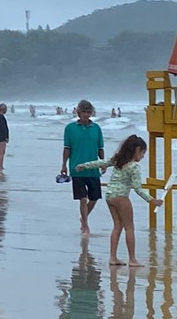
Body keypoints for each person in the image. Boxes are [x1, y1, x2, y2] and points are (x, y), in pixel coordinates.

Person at [77, 135, 162, 266]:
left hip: (110, 196)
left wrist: (84, 166)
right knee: (129, 227)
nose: (143, 156)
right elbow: (138, 189)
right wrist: (152, 201)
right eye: (143, 153)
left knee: (117, 226)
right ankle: (132, 259)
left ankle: (113, 257)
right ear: (137, 150)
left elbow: (101, 163)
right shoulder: (134, 167)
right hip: (121, 197)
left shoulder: (118, 160)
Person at [61, 99, 105, 234]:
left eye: (88, 112)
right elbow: (67, 148)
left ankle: (83, 218)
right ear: (78, 113)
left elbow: (100, 148)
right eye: (83, 112)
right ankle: (85, 225)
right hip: (77, 168)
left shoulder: (96, 128)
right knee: (83, 199)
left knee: (94, 198)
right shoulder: (70, 128)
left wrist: (104, 163)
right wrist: (64, 165)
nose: (86, 115)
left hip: (93, 168)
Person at [0, 103, 9, 170]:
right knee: (1, 152)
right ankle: (0, 166)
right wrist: (6, 137)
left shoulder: (0, 116)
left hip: (0, 136)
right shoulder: (0, 117)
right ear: (4, 109)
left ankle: (1, 165)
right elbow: (3, 128)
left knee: (2, 152)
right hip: (2, 137)